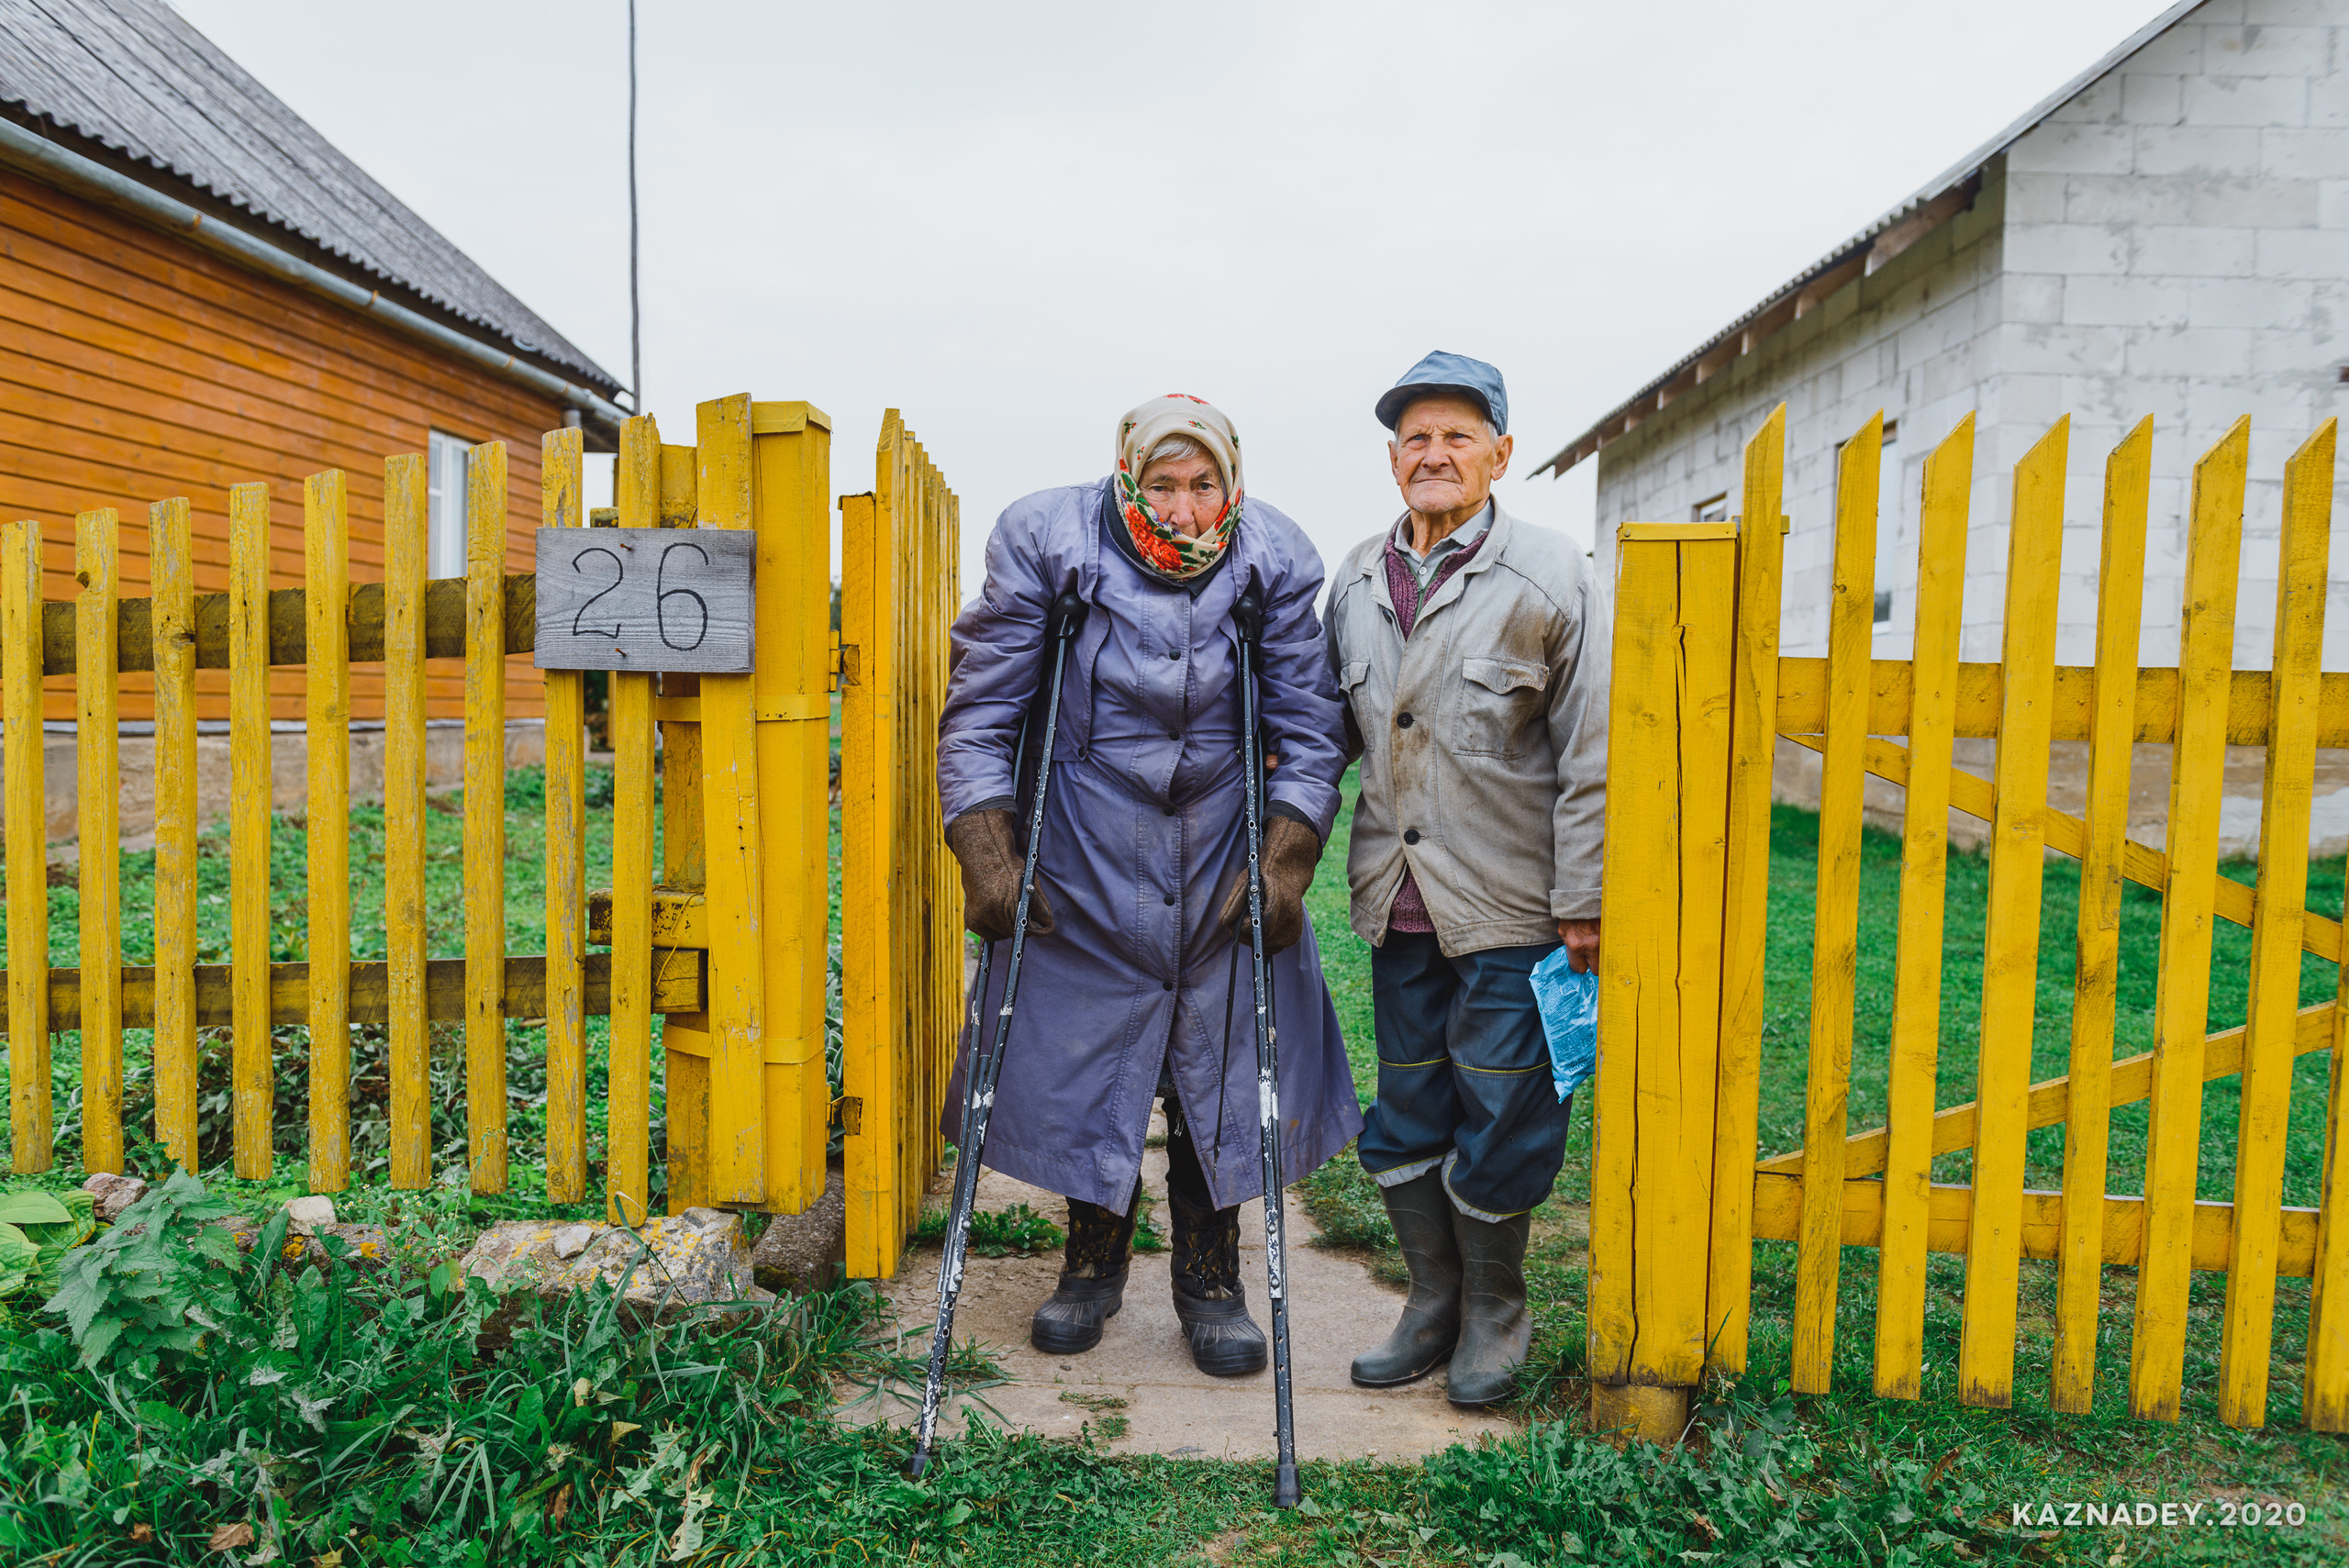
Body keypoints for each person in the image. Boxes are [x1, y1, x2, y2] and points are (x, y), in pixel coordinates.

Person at [938, 394, 1362, 1377]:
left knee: (1220, 1058)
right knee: (1091, 1054)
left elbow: (1309, 727)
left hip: (1221, 849)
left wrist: (1285, 859)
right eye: (1162, 483)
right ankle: (1090, 1265)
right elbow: (982, 714)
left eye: (1203, 483)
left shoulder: (1272, 553)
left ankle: (1210, 1279)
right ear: (1128, 475)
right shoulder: (1047, 538)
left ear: (1230, 480)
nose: (1182, 507)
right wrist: (990, 854)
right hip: (1084, 843)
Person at [1322, 350, 1609, 1407]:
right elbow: (1323, 731)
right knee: (1408, 1104)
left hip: (1512, 906)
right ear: (1392, 458)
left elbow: (1593, 750)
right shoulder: (1357, 577)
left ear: (1500, 452)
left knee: (1502, 1109)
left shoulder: (1550, 573)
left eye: (1456, 435)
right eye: (1415, 438)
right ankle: (1430, 1300)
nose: (1433, 453)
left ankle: (1494, 1306)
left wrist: (1583, 898)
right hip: (1396, 902)